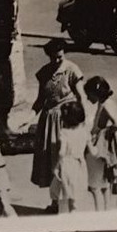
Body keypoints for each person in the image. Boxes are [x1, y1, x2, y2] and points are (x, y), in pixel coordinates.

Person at [30, 37, 84, 199]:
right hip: (48, 122)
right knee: (50, 160)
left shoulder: (72, 70)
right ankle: (55, 201)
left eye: (60, 56)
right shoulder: (44, 73)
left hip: (66, 120)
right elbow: (40, 100)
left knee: (64, 159)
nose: (57, 60)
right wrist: (29, 116)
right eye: (54, 57)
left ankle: (67, 199)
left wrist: (83, 120)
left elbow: (82, 97)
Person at [84, 76, 117, 212]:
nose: (88, 99)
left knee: (95, 186)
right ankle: (107, 211)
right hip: (103, 146)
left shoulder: (106, 105)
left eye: (89, 95)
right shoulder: (107, 102)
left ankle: (99, 214)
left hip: (99, 147)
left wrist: (102, 134)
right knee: (105, 184)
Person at [51, 100, 89, 214]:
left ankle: (65, 220)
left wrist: (56, 166)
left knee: (64, 196)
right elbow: (92, 150)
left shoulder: (64, 133)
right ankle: (75, 217)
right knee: (75, 195)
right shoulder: (84, 132)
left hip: (67, 165)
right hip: (80, 165)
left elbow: (62, 152)